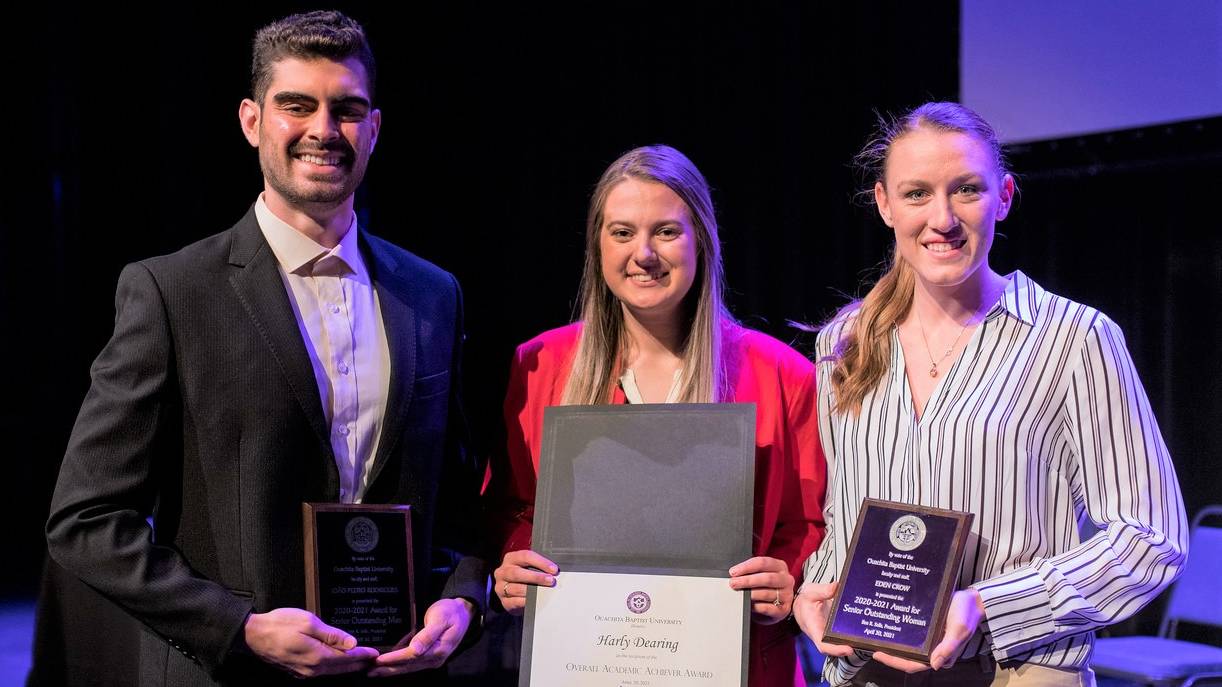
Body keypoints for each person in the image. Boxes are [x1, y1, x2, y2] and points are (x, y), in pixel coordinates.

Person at [44, 10, 485, 685]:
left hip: (394, 669)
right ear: (252, 121)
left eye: (347, 109)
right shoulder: (172, 292)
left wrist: (460, 594)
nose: (323, 130)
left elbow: (456, 500)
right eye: (297, 106)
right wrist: (238, 626)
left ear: (374, 128)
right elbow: (85, 519)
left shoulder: (432, 295)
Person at [793, 102, 1188, 686]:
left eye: (967, 190)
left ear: (1003, 197)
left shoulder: (1073, 339)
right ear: (884, 205)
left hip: (1016, 672)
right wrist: (818, 594)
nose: (943, 218)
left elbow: (1150, 540)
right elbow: (842, 515)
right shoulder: (846, 345)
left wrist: (990, 608)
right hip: (867, 673)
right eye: (917, 193)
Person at [485, 144, 826, 687]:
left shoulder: (782, 374)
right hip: (583, 662)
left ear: (702, 242)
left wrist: (789, 573)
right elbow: (514, 505)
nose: (643, 253)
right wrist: (513, 562)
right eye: (622, 232)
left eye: (666, 231)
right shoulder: (540, 365)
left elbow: (812, 521)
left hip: (741, 664)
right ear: (598, 246)